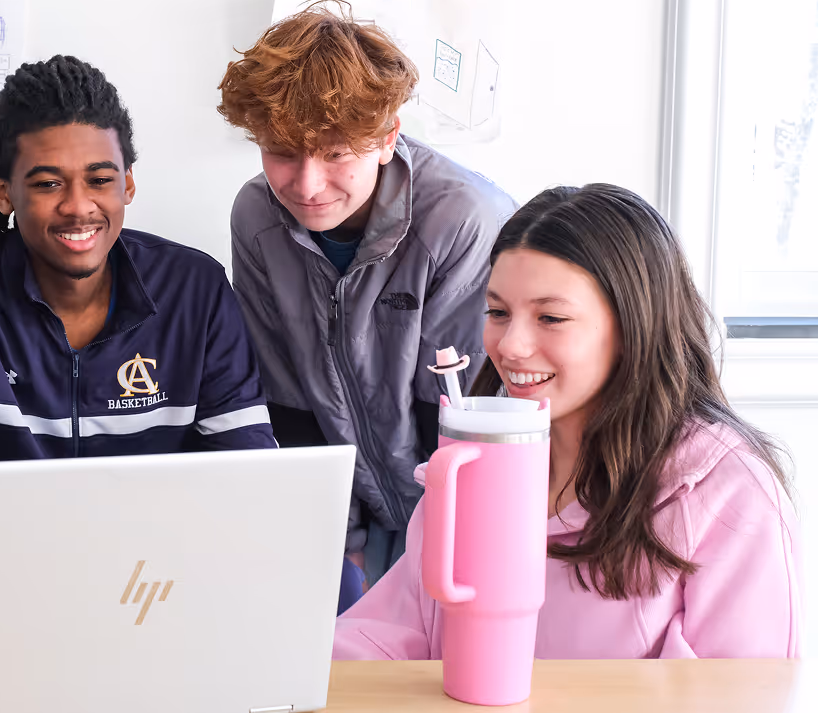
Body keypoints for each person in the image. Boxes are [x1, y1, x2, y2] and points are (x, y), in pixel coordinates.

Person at [334, 184, 802, 659]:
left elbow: (744, 710)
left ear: (632, 326)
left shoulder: (728, 493)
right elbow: (388, 632)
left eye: (551, 318)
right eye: (498, 312)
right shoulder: (471, 469)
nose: (510, 345)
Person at [0, 55, 276, 554]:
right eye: (48, 183)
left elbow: (247, 480)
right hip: (5, 577)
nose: (78, 205)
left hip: (160, 575)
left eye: (99, 180)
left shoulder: (194, 288)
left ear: (128, 184)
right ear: (3, 192)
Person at [218, 0, 516, 601]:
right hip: (346, 509)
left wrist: (441, 546)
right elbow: (283, 396)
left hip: (463, 506)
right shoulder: (256, 216)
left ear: (386, 139)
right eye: (281, 151)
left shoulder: (460, 219)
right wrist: (337, 542)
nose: (306, 185)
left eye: (335, 153)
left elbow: (460, 407)